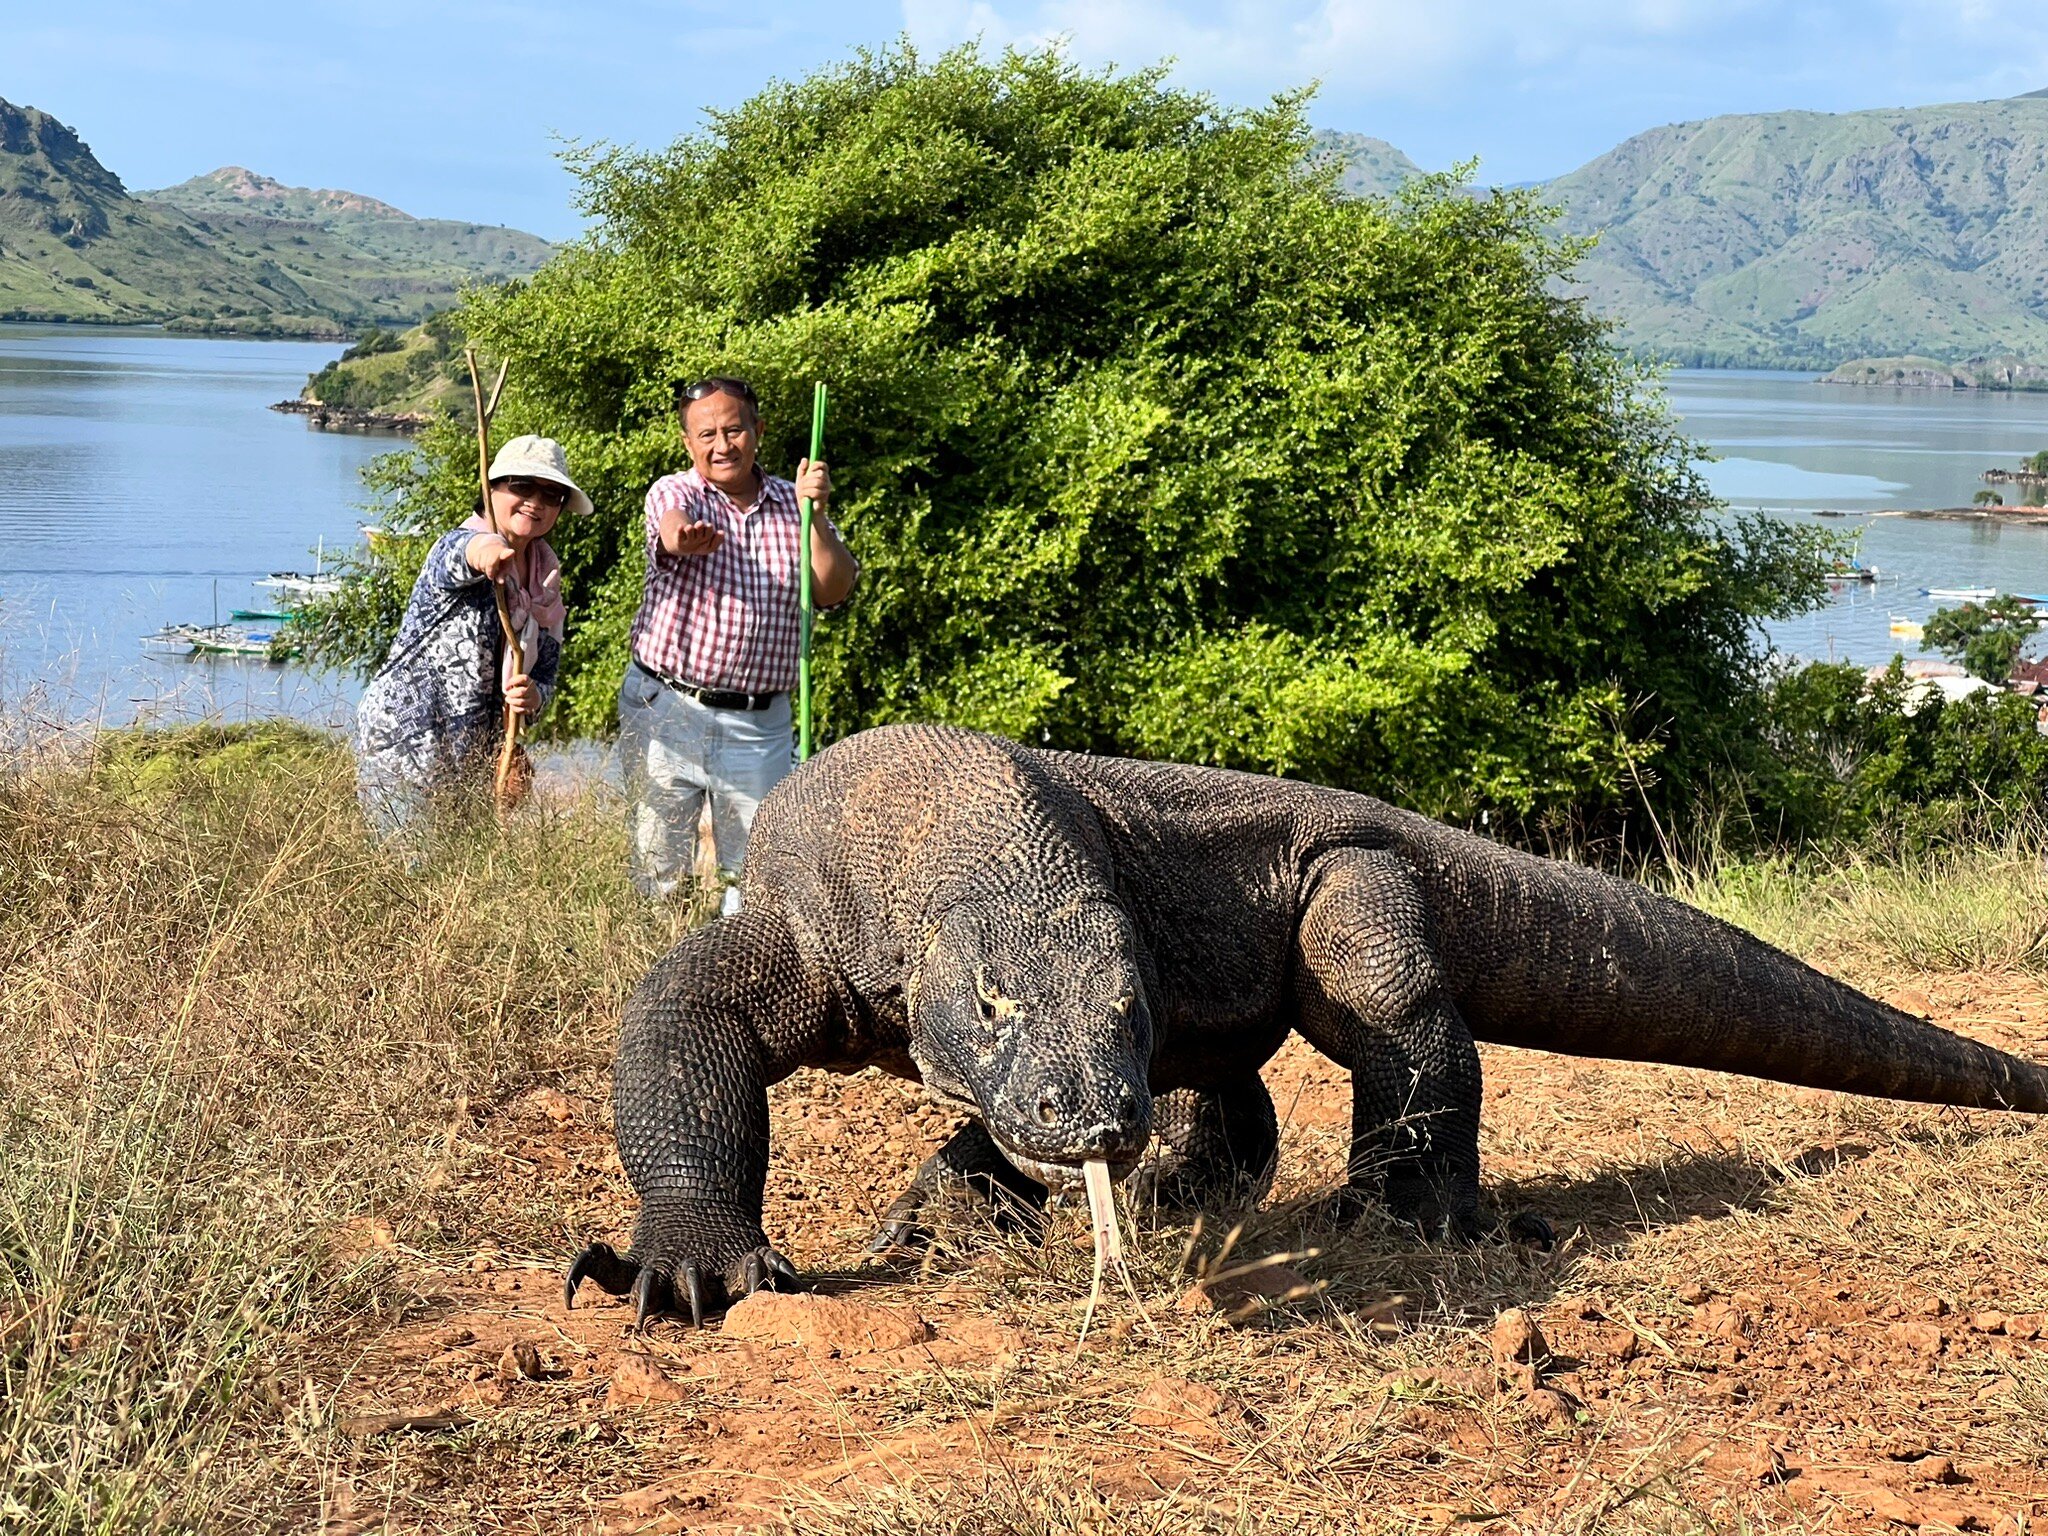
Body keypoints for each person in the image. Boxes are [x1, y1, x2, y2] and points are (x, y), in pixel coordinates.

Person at [620, 376, 858, 904]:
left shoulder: (794, 505)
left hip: (759, 723)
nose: (721, 445)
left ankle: (734, 981)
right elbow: (670, 525)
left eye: (734, 430)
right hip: (666, 706)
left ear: (758, 430)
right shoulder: (676, 491)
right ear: (688, 443)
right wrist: (683, 538)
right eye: (706, 435)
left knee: (754, 877)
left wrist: (815, 515)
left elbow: (833, 589)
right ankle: (654, 972)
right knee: (655, 868)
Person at [355, 434, 592, 842]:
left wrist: (534, 697)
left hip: (473, 761)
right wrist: (488, 554)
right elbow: (462, 554)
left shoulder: (545, 581)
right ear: (492, 489)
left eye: (551, 494)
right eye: (521, 486)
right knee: (410, 876)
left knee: (456, 878)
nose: (536, 500)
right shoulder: (460, 542)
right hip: (409, 744)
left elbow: (548, 675)